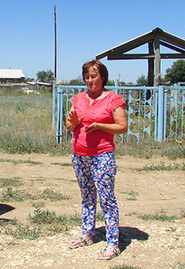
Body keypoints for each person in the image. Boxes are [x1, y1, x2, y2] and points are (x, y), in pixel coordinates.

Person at [65, 60, 127, 260]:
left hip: (102, 155)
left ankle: (112, 243)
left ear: (103, 77)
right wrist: (72, 124)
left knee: (106, 198)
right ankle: (87, 233)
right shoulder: (79, 98)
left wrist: (100, 126)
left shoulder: (112, 100)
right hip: (79, 154)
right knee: (87, 196)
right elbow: (68, 124)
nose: (90, 80)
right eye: (87, 77)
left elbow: (122, 126)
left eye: (93, 76)